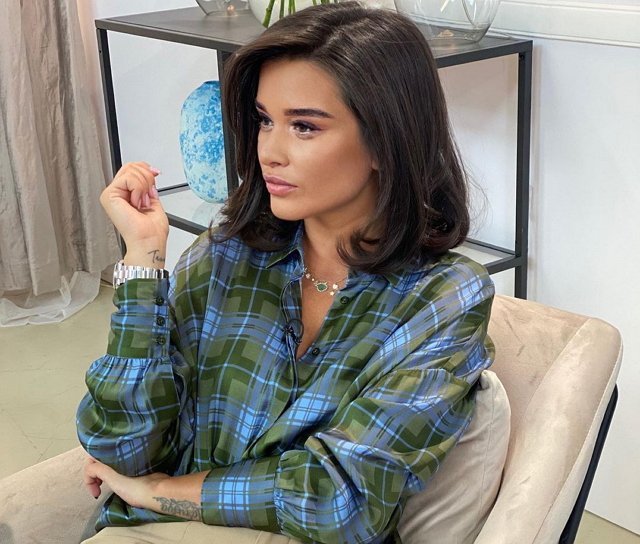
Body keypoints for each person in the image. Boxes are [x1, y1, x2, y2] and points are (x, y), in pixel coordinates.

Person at [76, 2, 495, 543]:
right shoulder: (224, 256)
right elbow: (121, 448)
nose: (269, 152)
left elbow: (339, 504)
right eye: (264, 120)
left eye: (304, 126)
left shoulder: (445, 298)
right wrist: (142, 261)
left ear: (385, 139)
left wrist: (159, 492)